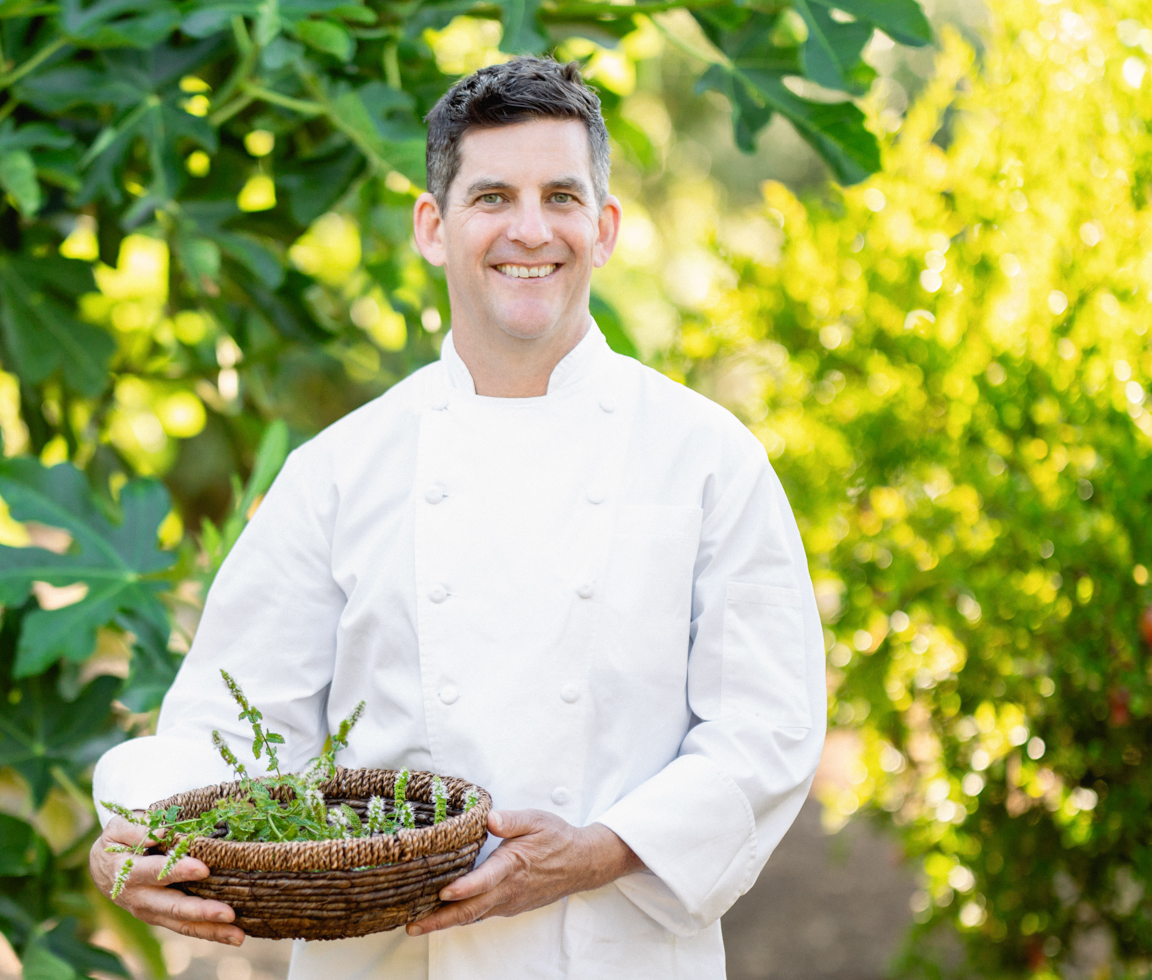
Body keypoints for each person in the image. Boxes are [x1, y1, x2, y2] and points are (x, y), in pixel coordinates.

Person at [87, 57, 825, 980]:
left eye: (561, 196)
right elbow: (228, 733)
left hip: (613, 955)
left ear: (603, 230)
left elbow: (765, 731)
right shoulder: (340, 473)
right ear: (434, 228)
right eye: (492, 197)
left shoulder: (707, 460)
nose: (530, 230)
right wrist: (134, 841)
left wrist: (597, 850)